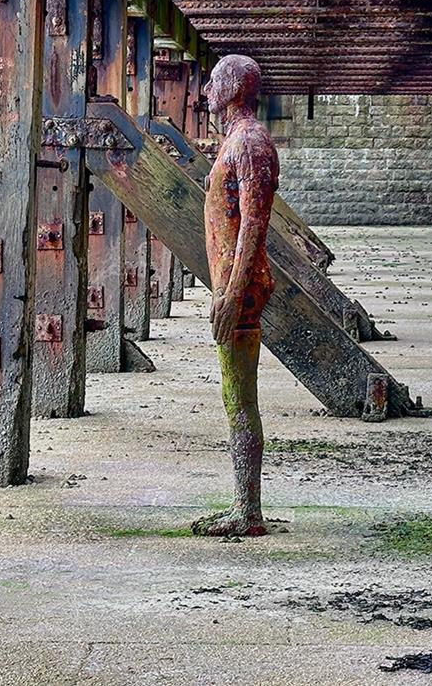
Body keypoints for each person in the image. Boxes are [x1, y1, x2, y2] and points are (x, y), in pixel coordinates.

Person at [194, 55, 278, 538]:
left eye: (212, 80)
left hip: (239, 291)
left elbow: (252, 226)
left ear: (230, 88)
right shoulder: (238, 142)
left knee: (239, 397)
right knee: (236, 395)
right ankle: (245, 505)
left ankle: (247, 510)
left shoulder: (248, 143)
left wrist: (231, 293)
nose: (205, 87)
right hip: (234, 286)